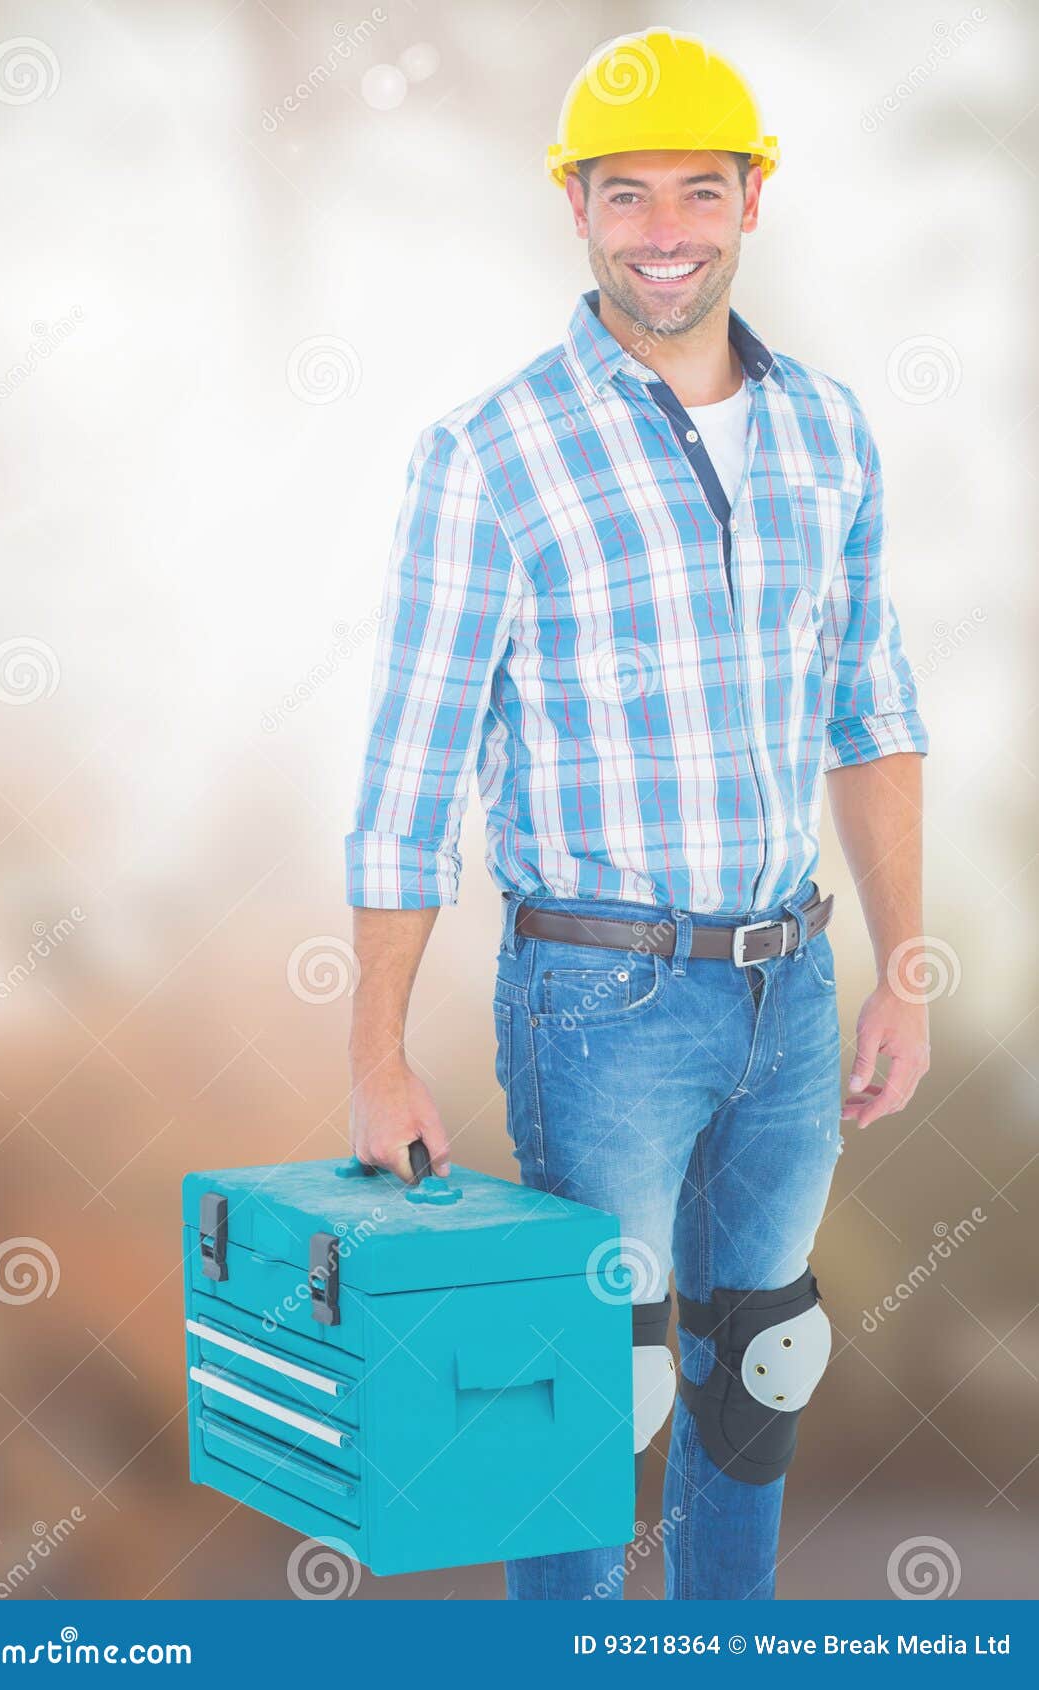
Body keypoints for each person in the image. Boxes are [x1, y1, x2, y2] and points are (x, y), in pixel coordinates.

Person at [343, 27, 930, 1600]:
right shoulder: (489, 453)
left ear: (754, 199)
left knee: (761, 1364)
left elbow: (873, 715)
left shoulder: (831, 434)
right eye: (624, 195)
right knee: (593, 1388)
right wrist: (377, 1051)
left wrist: (905, 968)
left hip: (791, 988)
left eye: (695, 189)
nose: (662, 228)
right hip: (595, 998)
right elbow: (410, 775)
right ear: (575, 211)